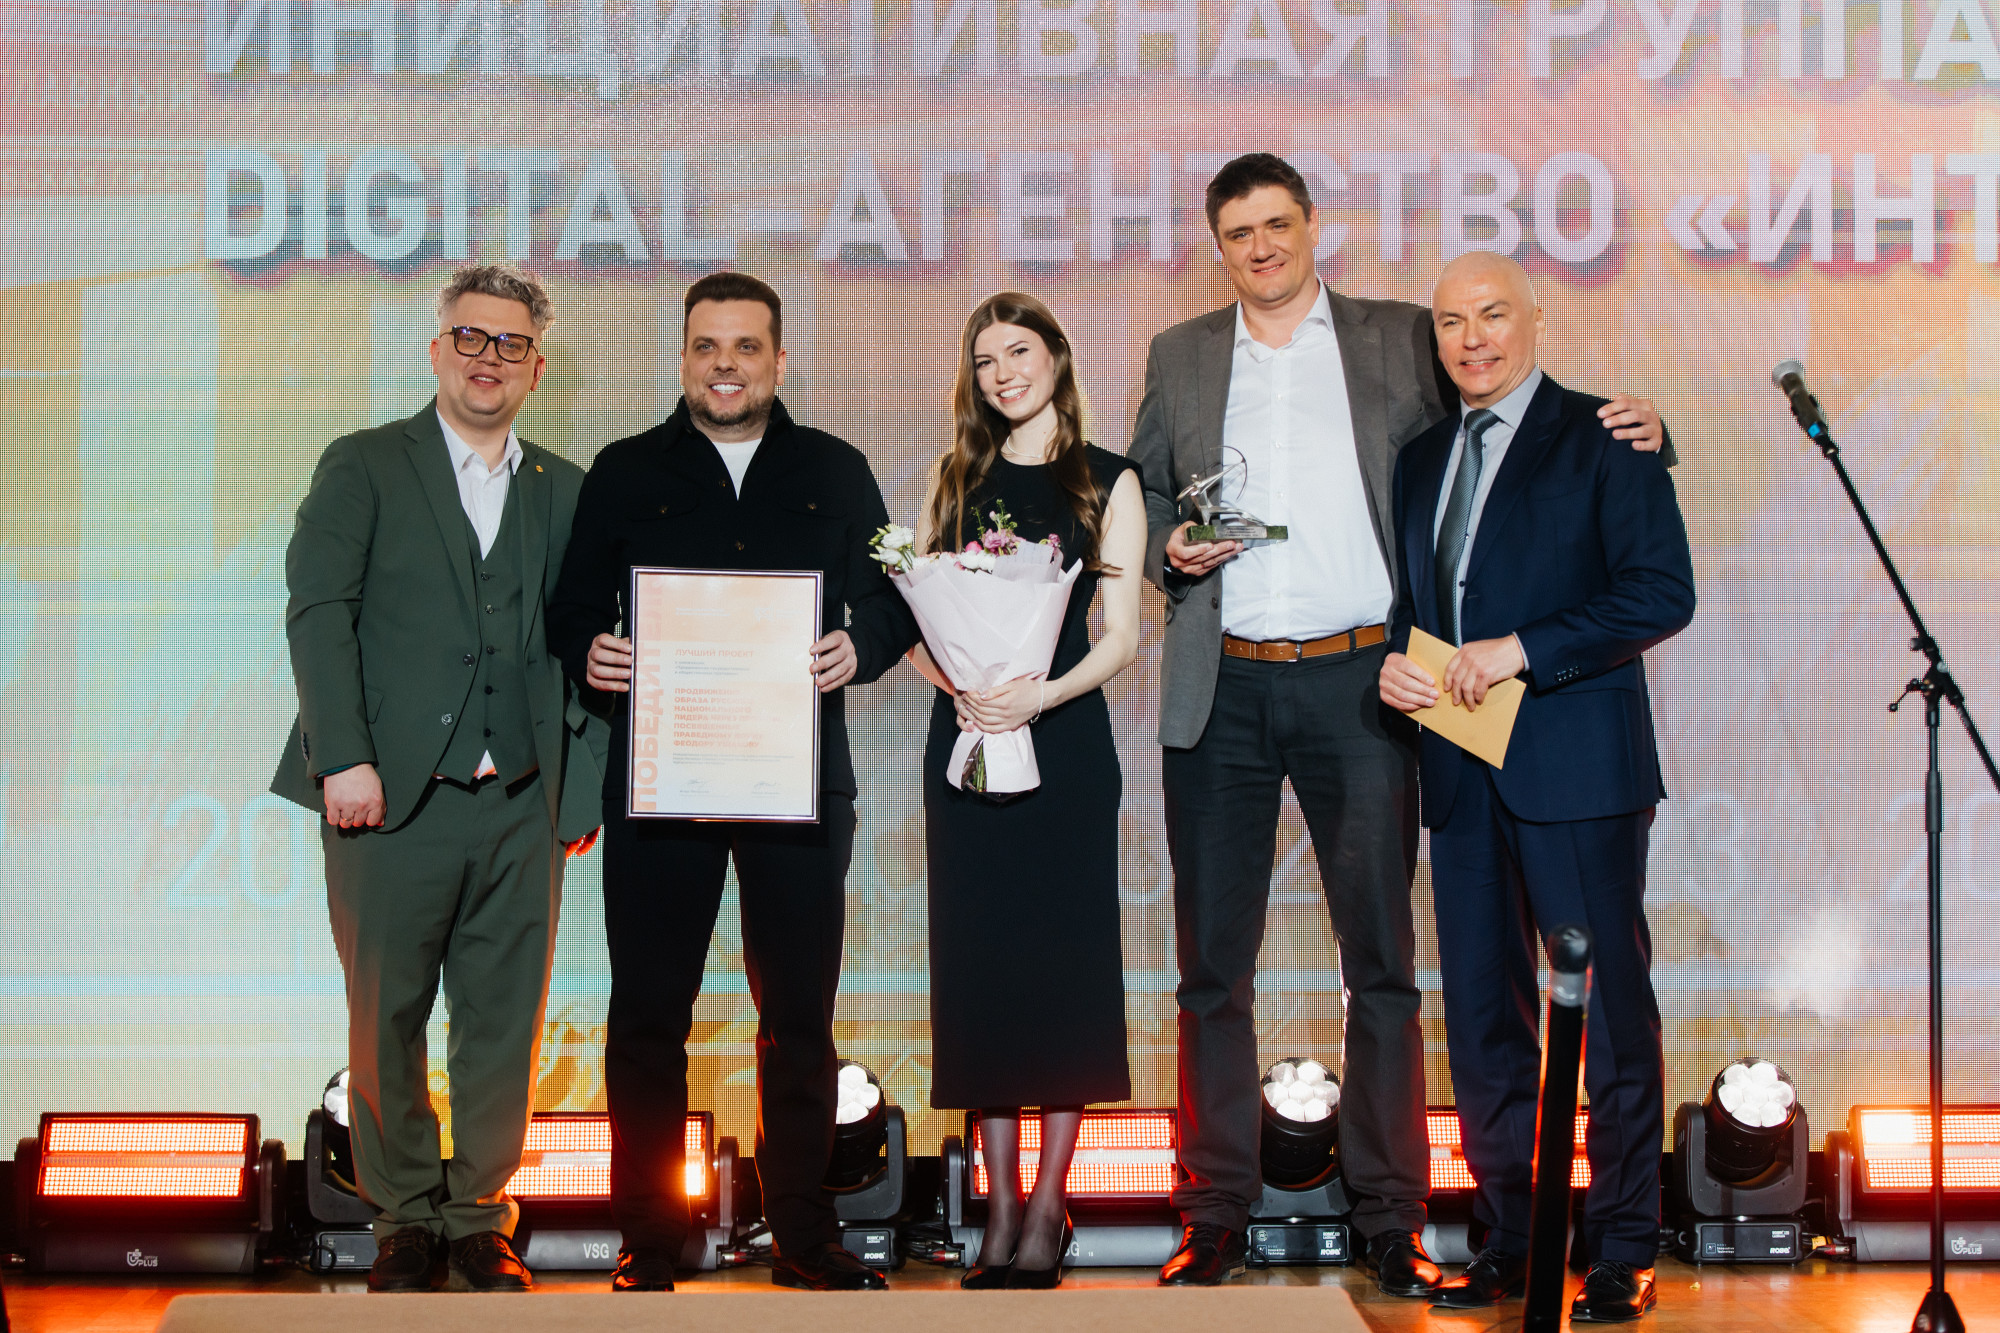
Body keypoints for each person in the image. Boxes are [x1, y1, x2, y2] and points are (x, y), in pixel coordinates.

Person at [1126, 152, 1672, 1295]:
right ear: (1216, 247)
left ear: (1312, 226)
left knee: (1384, 964)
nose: (1260, 246)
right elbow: (1144, 495)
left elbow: (1526, 429)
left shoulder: (1399, 337)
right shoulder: (1179, 355)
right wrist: (1165, 547)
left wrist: (1647, 431)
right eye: (1238, 232)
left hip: (1366, 682)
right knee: (1211, 973)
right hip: (1224, 687)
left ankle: (1393, 1213)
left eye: (1277, 224)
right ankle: (1212, 1210)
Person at [548, 271, 918, 1294]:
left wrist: (861, 645)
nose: (725, 365)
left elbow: (895, 603)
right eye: (707, 346)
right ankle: (649, 1238)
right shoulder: (625, 470)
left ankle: (801, 1235)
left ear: (778, 360)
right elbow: (570, 609)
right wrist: (591, 650)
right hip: (661, 781)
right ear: (683, 358)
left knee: (798, 1019)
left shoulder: (836, 470)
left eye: (746, 346)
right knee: (647, 1016)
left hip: (795, 783)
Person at [271, 262, 605, 1294]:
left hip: (524, 800)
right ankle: (404, 1218)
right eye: (470, 336)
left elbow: (591, 644)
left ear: (536, 367)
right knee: (387, 1016)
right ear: (436, 349)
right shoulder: (365, 464)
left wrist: (581, 788)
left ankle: (477, 1218)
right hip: (387, 798)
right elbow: (318, 613)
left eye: (510, 343)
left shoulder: (566, 488)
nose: (487, 357)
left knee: (505, 1023)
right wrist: (344, 756)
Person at [1377, 251, 1694, 1322]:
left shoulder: (1608, 434)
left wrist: (1523, 650)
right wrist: (1394, 663)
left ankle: (1621, 1246)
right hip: (1458, 765)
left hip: (1577, 769)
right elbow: (1421, 602)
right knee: (1482, 1022)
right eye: (1450, 321)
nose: (1471, 338)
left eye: (1492, 314)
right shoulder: (1421, 457)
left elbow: (1660, 593)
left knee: (1609, 1018)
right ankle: (1513, 1238)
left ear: (1536, 320)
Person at [907, 293, 1146, 1291]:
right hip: (967, 743)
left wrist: (1035, 695)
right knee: (983, 975)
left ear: (1055, 356)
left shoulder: (1108, 478)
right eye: (985, 359)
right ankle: (996, 1205)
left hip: (1063, 745)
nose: (1002, 371)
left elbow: (1122, 635)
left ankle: (1049, 1204)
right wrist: (960, 684)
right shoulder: (955, 476)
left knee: (1062, 972)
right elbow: (918, 618)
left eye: (1018, 351)